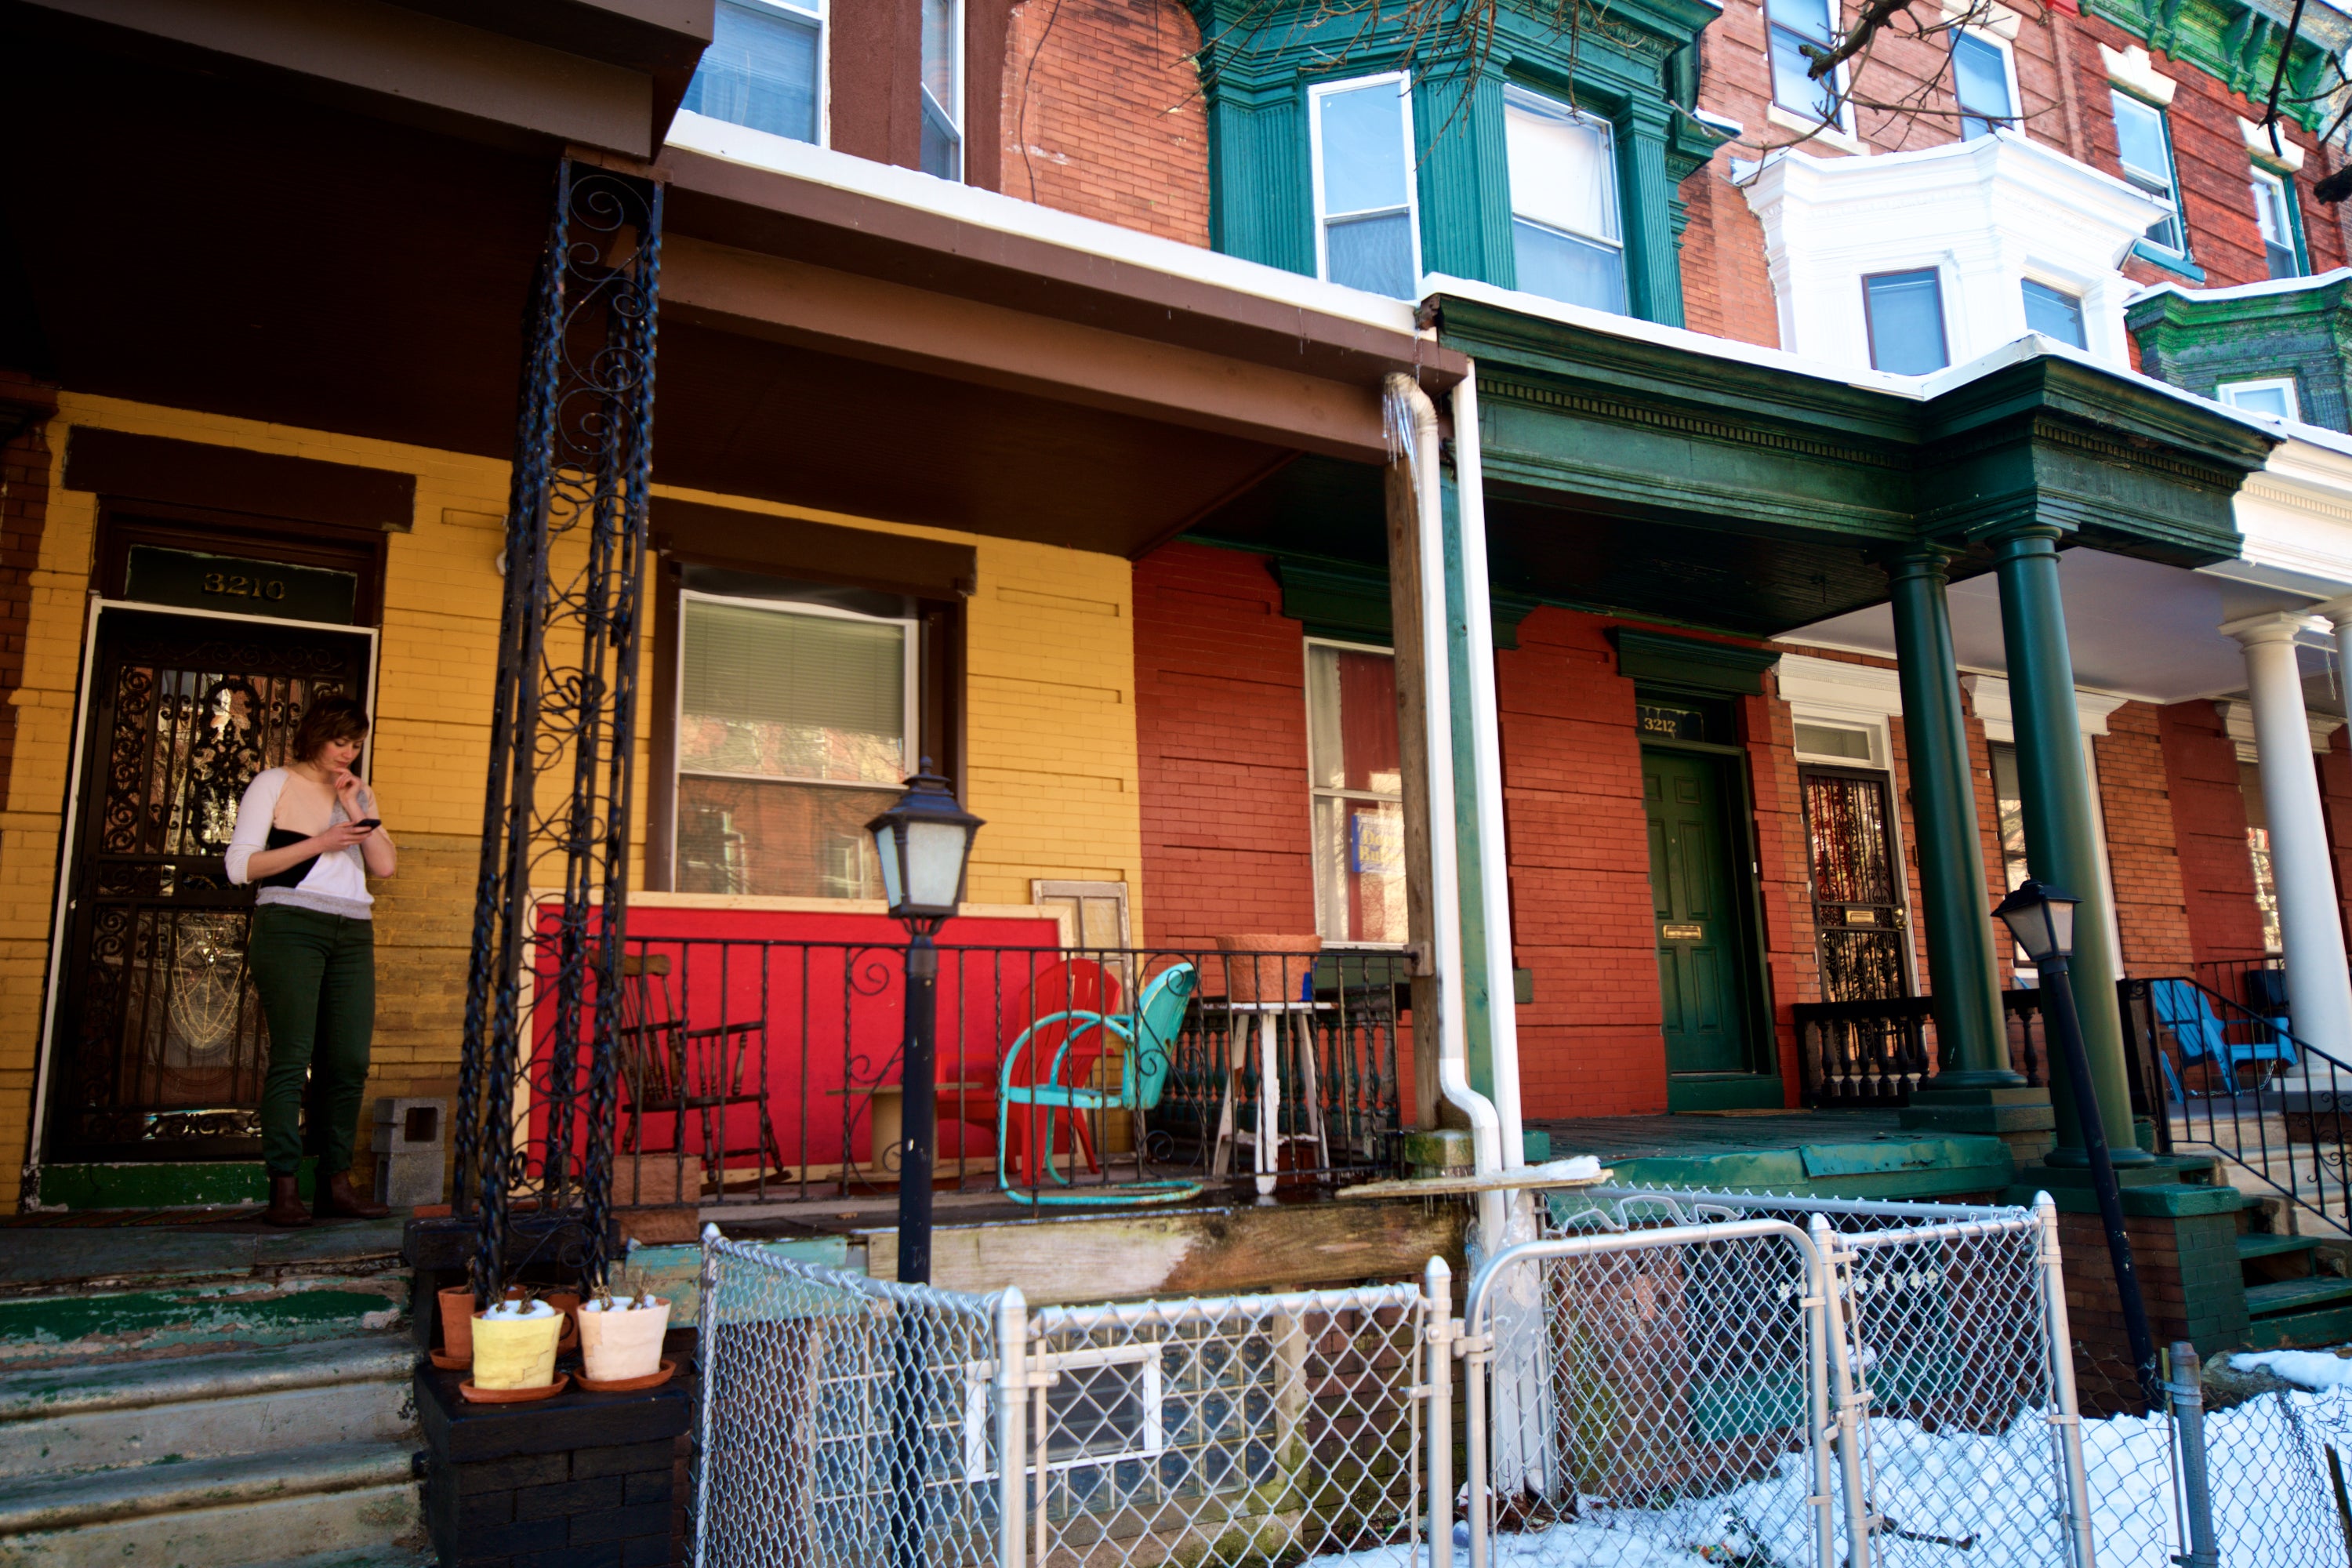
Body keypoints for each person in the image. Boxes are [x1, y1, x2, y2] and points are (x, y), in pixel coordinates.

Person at [223, 694, 398, 1226]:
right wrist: (322, 842)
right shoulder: (272, 783)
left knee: (347, 1061)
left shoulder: (357, 791)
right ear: (315, 734)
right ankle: (283, 1187)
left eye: (356, 745)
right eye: (339, 741)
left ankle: (335, 1184)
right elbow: (240, 867)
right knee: (292, 1054)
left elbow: (385, 866)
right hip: (291, 925)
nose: (347, 753)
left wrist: (355, 807)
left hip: (353, 929)